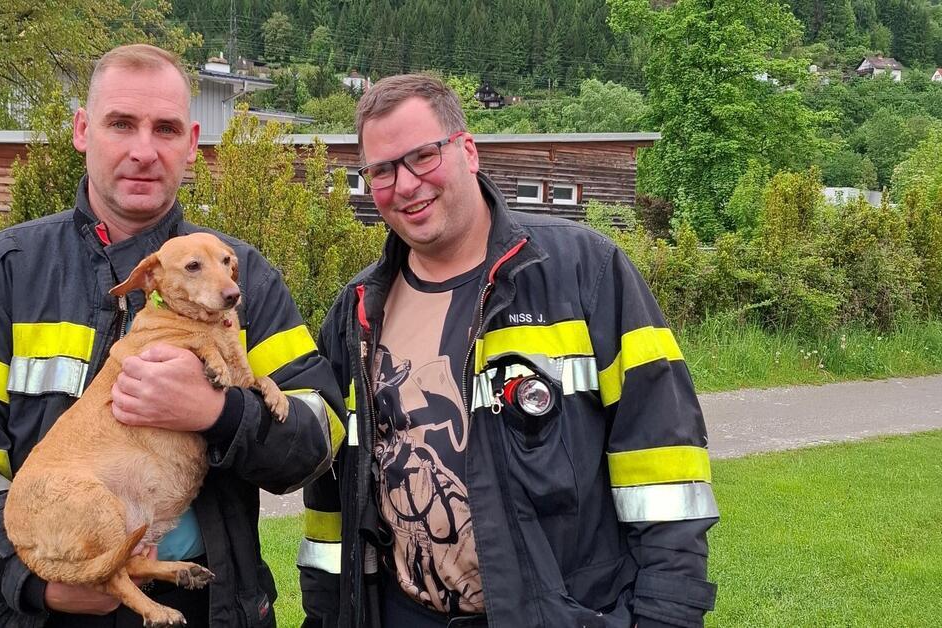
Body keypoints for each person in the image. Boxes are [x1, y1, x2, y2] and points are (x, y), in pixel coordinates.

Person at [0, 43, 345, 628]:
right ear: (82, 131)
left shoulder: (243, 281)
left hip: (206, 606)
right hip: (34, 612)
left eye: (165, 129)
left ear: (192, 144)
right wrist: (33, 582)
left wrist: (218, 412)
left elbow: (320, 436)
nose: (144, 151)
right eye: (121, 124)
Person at [298, 74, 719, 627]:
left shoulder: (584, 273)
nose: (404, 185)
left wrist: (668, 614)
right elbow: (330, 493)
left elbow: (666, 467)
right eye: (381, 169)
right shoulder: (356, 312)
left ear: (467, 151)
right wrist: (328, 613)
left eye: (423, 156)